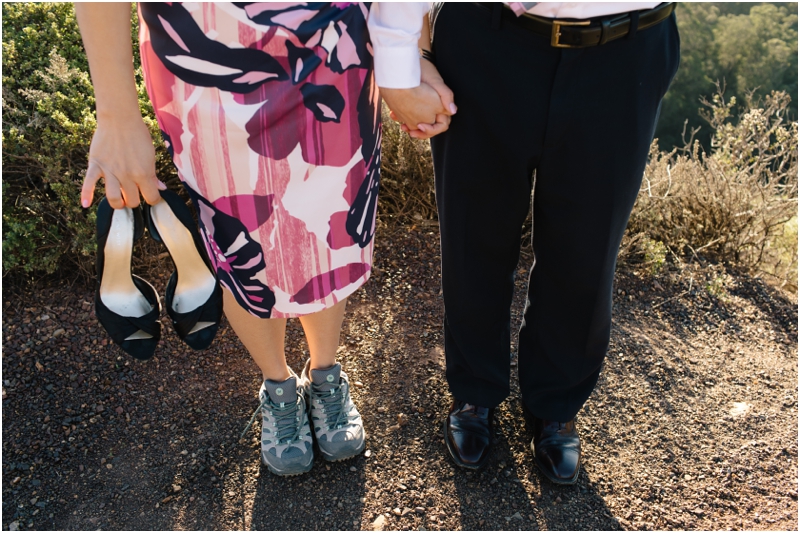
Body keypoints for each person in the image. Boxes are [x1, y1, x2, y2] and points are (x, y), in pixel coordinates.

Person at [75, 2, 451, 476]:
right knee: (235, 238)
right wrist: (115, 116)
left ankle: (326, 375)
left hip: (332, 47)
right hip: (206, 53)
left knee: (325, 227)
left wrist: (413, 51)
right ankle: (278, 384)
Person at [386, 2, 680, 484]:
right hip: (487, 38)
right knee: (473, 232)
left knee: (588, 244)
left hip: (625, 50)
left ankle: (556, 403)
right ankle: (474, 388)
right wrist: (401, 56)